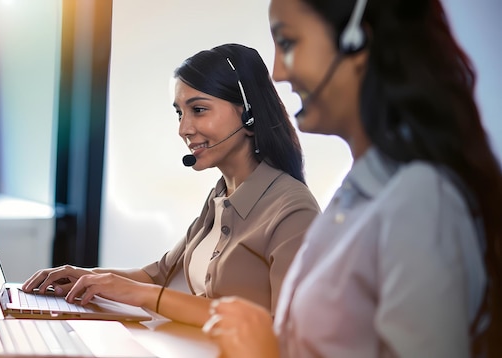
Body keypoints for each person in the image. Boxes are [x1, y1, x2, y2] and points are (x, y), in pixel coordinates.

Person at [203, 0, 502, 357]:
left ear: (357, 41)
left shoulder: (421, 201)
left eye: (288, 43)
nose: (278, 72)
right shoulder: (355, 196)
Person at [22, 43, 321, 327]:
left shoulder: (293, 211)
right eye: (180, 113)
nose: (184, 129)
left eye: (199, 110)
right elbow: (158, 276)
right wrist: (85, 277)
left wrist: (144, 296)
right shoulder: (222, 194)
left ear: (249, 113)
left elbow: (285, 330)